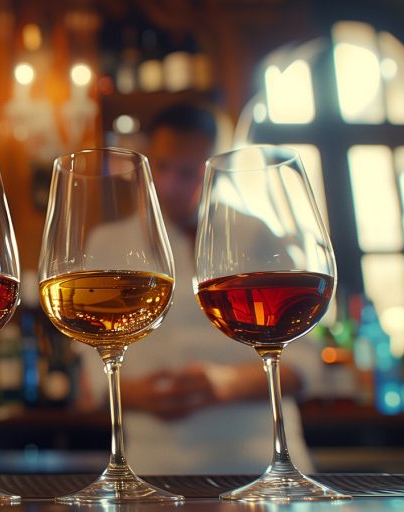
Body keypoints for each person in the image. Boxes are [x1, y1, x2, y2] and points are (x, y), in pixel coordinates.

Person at [79, 103, 323, 475]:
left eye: (188, 171)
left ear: (210, 167)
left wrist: (224, 384)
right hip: (151, 470)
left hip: (261, 464)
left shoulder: (255, 234)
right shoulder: (106, 245)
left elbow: (305, 365)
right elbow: (90, 376)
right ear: (146, 159)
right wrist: (139, 394)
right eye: (161, 166)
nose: (170, 184)